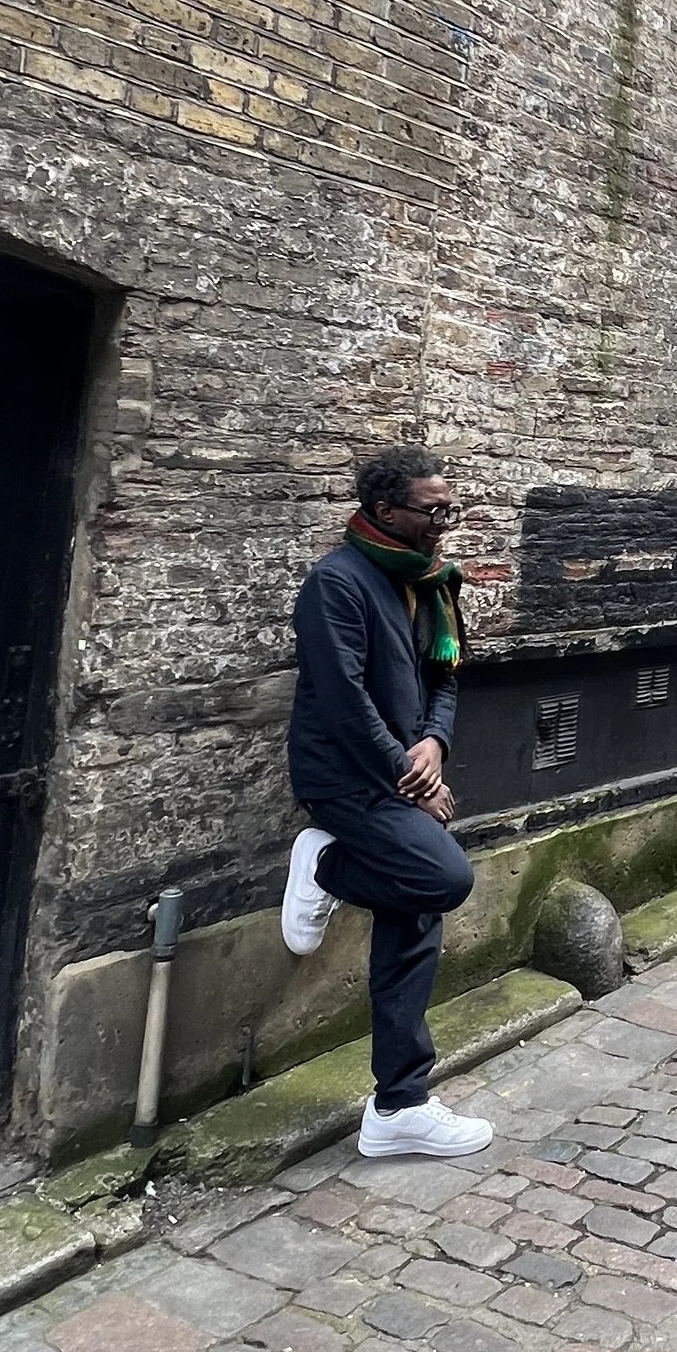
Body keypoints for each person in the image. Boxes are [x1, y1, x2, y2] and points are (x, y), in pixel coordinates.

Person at [280, 444, 493, 1162]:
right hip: (344, 778)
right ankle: (325, 864)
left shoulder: (431, 582)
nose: (444, 522)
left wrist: (435, 742)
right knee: (444, 876)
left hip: (401, 771)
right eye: (432, 511)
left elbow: (445, 678)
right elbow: (343, 700)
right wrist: (414, 777)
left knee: (414, 908)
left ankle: (399, 1104)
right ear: (384, 510)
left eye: (449, 509)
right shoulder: (336, 584)